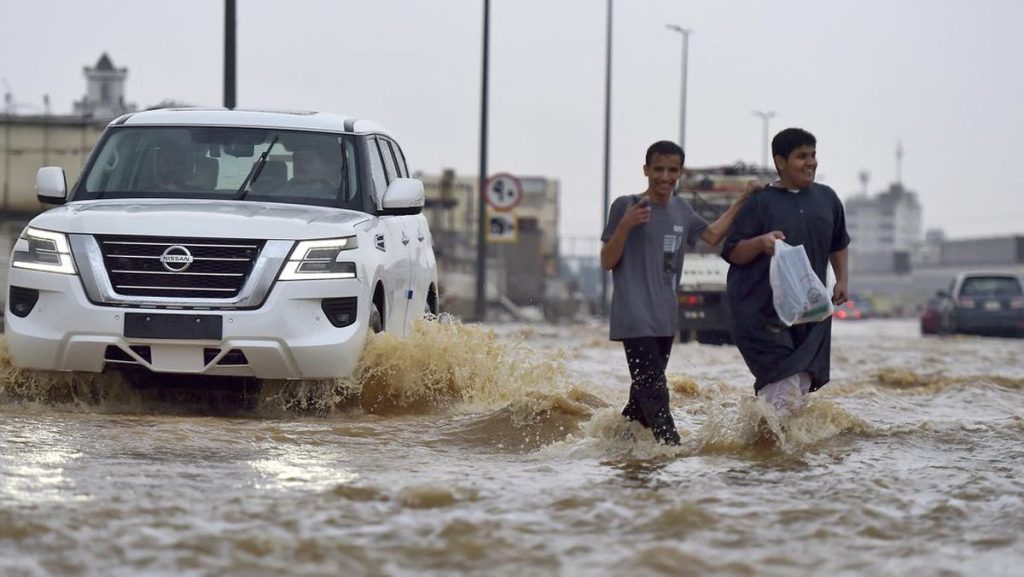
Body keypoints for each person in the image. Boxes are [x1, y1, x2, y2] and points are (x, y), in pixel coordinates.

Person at [601, 140, 755, 445]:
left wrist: (742, 200)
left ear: (680, 173)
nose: (665, 177)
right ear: (646, 170)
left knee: (641, 401)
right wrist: (626, 226)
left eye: (672, 170)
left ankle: (616, 449)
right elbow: (607, 261)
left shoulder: (681, 210)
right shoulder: (626, 205)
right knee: (656, 394)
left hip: (665, 319)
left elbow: (712, 236)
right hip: (634, 317)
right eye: (658, 169)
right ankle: (673, 453)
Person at [721, 128, 850, 415]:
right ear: (780, 162)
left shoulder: (827, 199)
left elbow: (839, 243)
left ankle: (772, 454)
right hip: (762, 314)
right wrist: (761, 243)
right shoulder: (760, 202)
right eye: (801, 156)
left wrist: (842, 279)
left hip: (810, 312)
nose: (811, 162)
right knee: (782, 383)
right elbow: (732, 251)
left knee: (800, 384)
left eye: (813, 155)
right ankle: (772, 454)